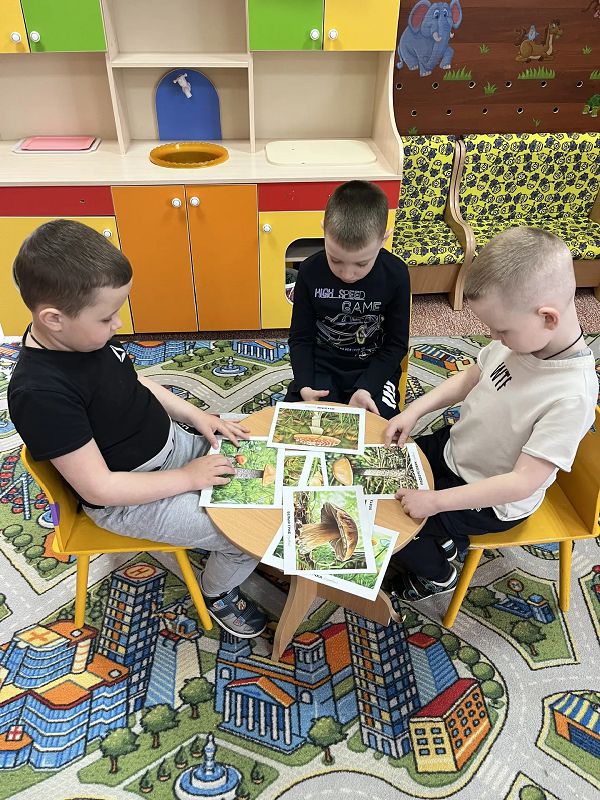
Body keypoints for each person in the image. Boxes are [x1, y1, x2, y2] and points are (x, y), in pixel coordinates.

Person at [8, 219, 266, 637]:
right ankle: (217, 591)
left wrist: (196, 416)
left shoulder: (83, 338)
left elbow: (136, 381)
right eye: (106, 317)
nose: (117, 326)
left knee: (260, 445)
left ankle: (218, 526)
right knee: (247, 535)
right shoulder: (39, 394)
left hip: (171, 447)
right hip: (129, 499)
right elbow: (100, 489)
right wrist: (188, 478)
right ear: (53, 319)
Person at [384, 227, 598, 601]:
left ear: (548, 318)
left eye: (502, 330)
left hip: (492, 501)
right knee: (383, 470)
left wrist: (435, 502)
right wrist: (414, 410)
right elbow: (473, 376)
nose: (494, 338)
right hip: (457, 448)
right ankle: (446, 540)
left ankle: (439, 574)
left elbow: (521, 483)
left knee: (396, 528)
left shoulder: (572, 395)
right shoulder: (522, 341)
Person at [285, 180, 410, 419]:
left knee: (381, 428)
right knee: (296, 421)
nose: (347, 274)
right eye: (335, 259)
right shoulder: (310, 270)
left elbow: (396, 344)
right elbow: (301, 337)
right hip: (322, 367)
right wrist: (304, 385)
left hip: (373, 369)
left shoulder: (396, 274)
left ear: (383, 239)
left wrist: (367, 387)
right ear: (324, 231)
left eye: (361, 263)